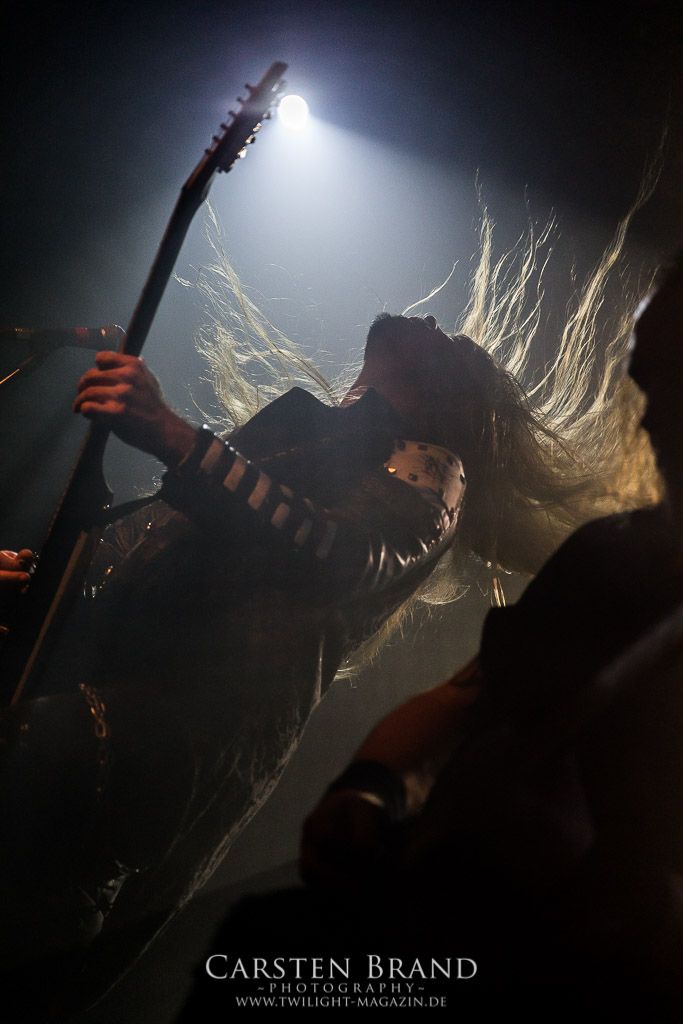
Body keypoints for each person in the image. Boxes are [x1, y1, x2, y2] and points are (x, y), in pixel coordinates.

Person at [0, 212, 658, 1015]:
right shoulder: (303, 434)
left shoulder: (432, 471)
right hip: (112, 716)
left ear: (448, 397)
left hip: (155, 738)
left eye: (448, 342)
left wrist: (176, 437)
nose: (428, 319)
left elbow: (333, 552)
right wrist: (46, 579)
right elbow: (160, 547)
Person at [284, 256, 683, 1018]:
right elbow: (463, 698)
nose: (650, 417)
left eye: (676, 380)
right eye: (648, 380)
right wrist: (369, 785)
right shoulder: (606, 557)